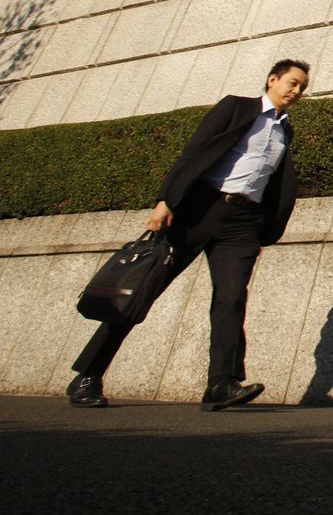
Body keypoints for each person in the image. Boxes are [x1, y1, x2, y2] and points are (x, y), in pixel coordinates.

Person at [67, 59, 310, 411]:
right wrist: (166, 201)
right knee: (142, 291)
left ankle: (221, 383)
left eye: (302, 86)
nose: (297, 91)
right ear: (272, 80)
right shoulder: (236, 107)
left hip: (243, 224)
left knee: (231, 299)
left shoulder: (285, 130)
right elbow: (195, 152)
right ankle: (87, 375)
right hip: (201, 210)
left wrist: (263, 225)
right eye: (292, 82)